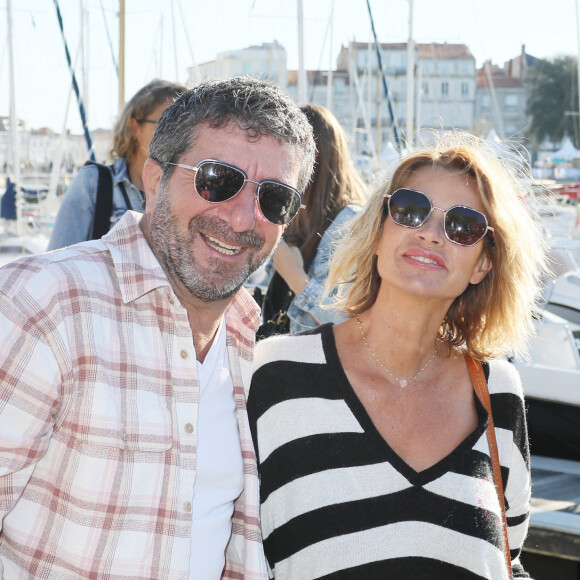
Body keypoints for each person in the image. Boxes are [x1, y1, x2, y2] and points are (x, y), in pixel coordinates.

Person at [0, 77, 315, 579]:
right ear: (154, 178)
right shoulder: (41, 307)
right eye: (218, 179)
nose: (242, 217)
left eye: (274, 199)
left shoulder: (251, 350)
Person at [248, 132, 547, 579]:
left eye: (462, 226)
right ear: (376, 234)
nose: (430, 234)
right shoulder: (276, 374)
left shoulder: (497, 392)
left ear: (483, 264)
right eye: (410, 210)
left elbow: (512, 563)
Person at [257, 103, 367, 338]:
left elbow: (354, 326)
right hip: (281, 361)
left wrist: (298, 280)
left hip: (319, 370)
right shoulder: (291, 214)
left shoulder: (350, 225)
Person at [48, 78, 187, 250]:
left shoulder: (189, 191)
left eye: (183, 129)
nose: (175, 136)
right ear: (134, 125)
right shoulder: (93, 184)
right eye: (166, 124)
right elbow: (58, 262)